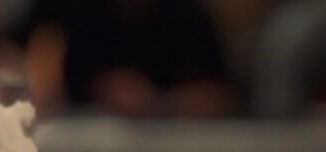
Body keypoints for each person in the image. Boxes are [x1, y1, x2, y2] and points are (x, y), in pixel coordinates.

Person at [16, 0, 235, 117]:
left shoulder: (186, 14)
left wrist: (157, 103)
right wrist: (33, 85)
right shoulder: (70, 7)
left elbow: (224, 99)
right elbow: (12, 52)